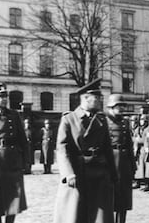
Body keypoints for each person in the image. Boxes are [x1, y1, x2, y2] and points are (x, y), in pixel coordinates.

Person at [53, 78, 117, 223]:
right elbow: (62, 148)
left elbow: (107, 148)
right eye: (97, 97)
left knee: (100, 216)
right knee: (76, 214)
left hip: (99, 172)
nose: (100, 100)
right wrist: (68, 173)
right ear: (86, 98)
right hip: (77, 172)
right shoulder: (69, 119)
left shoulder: (101, 119)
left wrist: (113, 174)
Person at [0, 82, 28, 223]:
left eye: (5, 96)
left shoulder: (13, 115)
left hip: (13, 160)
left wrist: (26, 161)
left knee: (13, 198)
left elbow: (22, 139)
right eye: (1, 96)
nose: (4, 99)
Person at [105, 94, 136, 223]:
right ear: (111, 106)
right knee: (110, 197)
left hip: (124, 163)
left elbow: (129, 144)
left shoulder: (125, 122)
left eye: (122, 106)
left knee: (123, 197)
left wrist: (133, 165)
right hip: (111, 160)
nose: (121, 109)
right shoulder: (104, 121)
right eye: (119, 106)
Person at [133, 114, 149, 190]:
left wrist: (138, 140)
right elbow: (134, 138)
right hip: (138, 149)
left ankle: (146, 182)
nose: (142, 121)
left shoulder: (147, 129)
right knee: (138, 166)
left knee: (144, 166)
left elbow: (145, 139)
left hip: (143, 148)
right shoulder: (138, 129)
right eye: (141, 120)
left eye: (143, 120)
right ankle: (137, 181)